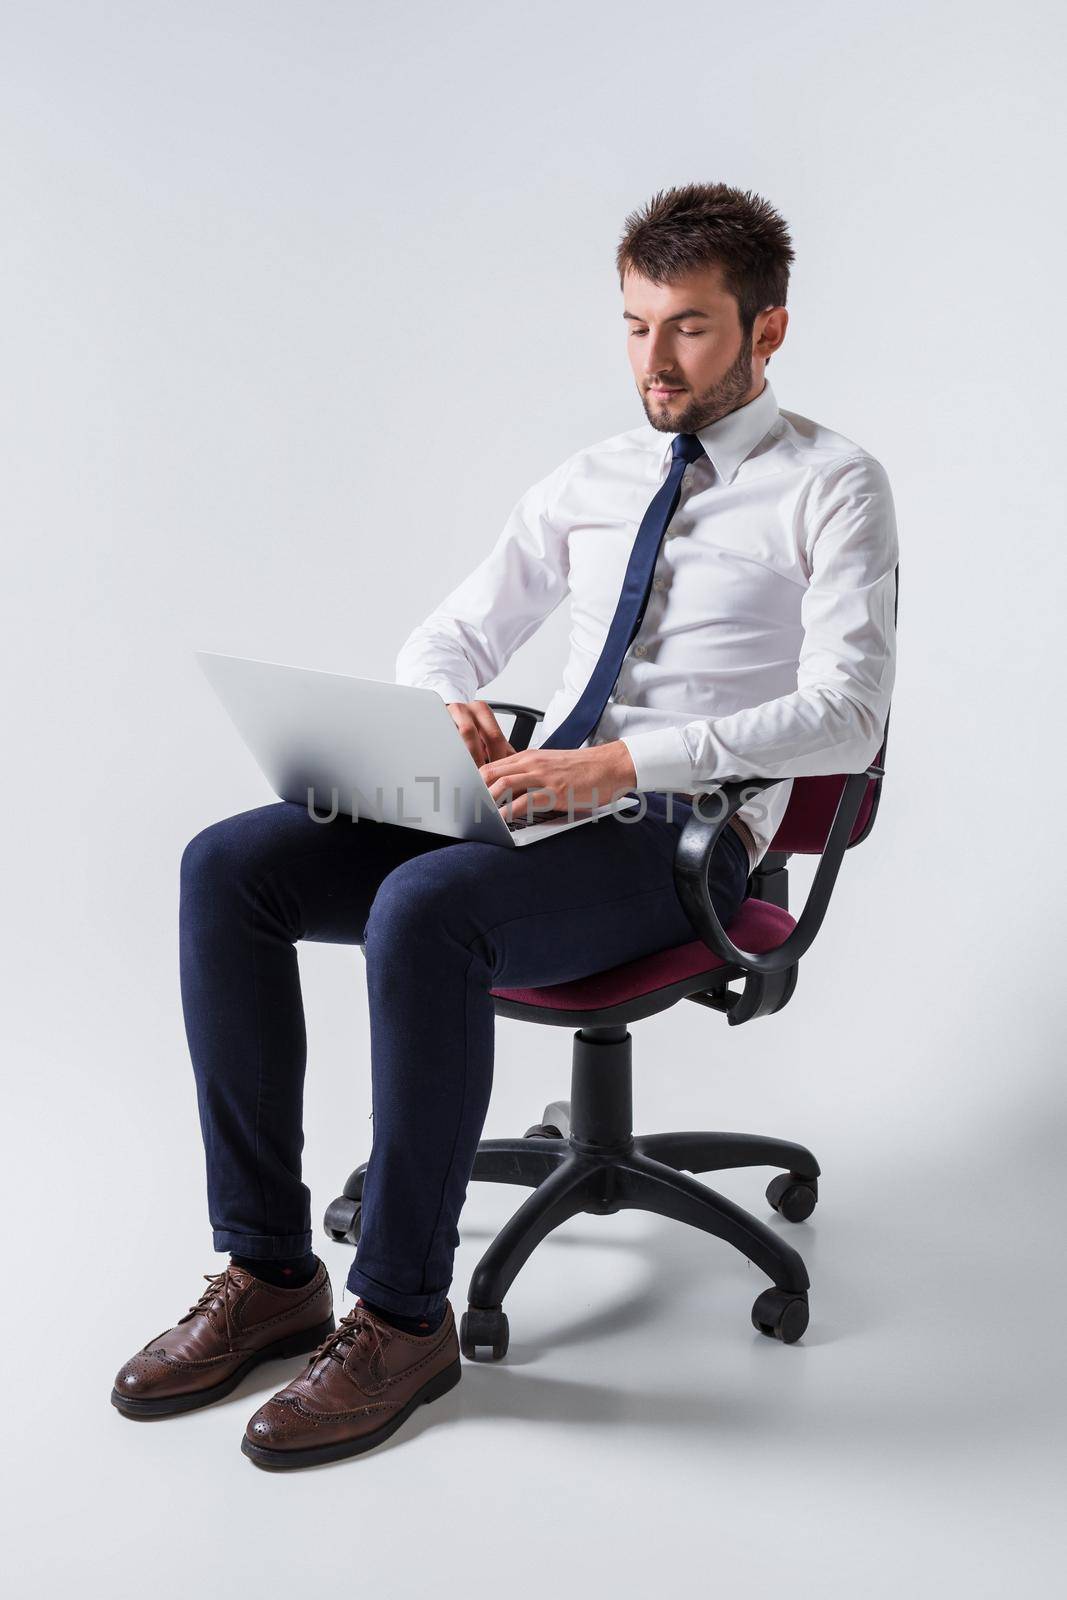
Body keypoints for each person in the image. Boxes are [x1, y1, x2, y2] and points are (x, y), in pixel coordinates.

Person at [111, 181, 898, 1470]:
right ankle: (268, 1273)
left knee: (423, 909)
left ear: (768, 333)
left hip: (684, 839)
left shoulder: (833, 486)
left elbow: (850, 716)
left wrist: (626, 765)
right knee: (230, 866)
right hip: (536, 791)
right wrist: (450, 708)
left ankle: (403, 1317)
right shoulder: (591, 477)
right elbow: (455, 626)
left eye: (690, 329)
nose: (654, 360)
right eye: (636, 324)